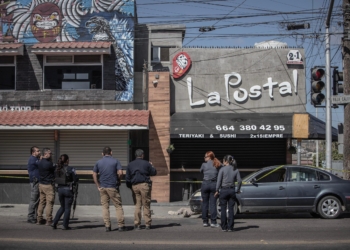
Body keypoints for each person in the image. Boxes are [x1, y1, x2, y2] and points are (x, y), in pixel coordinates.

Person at [93, 146, 126, 232]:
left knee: (105, 207)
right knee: (118, 206)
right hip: (112, 186)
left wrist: (98, 185)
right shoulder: (116, 161)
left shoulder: (98, 162)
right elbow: (121, 172)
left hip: (103, 187)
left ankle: (107, 225)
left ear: (102, 154)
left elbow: (94, 174)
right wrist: (119, 179)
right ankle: (120, 225)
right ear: (111, 152)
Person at [125, 149, 157, 230]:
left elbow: (127, 178)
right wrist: (151, 165)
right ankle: (147, 224)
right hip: (144, 185)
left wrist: (130, 186)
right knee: (146, 205)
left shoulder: (130, 164)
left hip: (135, 186)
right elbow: (154, 172)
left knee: (137, 205)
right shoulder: (146, 163)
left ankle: (137, 224)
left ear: (135, 155)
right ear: (142, 155)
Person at [215, 155, 242, 232]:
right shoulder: (235, 169)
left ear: (226, 161)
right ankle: (230, 227)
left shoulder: (222, 169)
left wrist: (217, 190)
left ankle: (224, 227)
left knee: (223, 209)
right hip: (232, 190)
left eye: (223, 160)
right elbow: (239, 181)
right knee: (231, 209)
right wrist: (238, 189)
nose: (222, 162)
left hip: (223, 190)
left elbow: (219, 181)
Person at [52, 154, 79, 230]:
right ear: (67, 160)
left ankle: (54, 222)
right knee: (67, 208)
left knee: (62, 207)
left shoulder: (57, 168)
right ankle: (65, 225)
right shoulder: (71, 169)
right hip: (68, 190)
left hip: (60, 189)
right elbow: (76, 179)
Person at [200, 151, 221, 228]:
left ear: (209, 157)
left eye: (205, 157)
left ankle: (205, 221)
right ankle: (213, 222)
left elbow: (201, 171)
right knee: (213, 204)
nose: (204, 158)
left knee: (205, 203)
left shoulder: (204, 165)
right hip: (213, 185)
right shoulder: (217, 164)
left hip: (205, 184)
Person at [36, 148, 56, 226]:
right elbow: (54, 169)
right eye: (50, 153)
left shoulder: (40, 162)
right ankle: (49, 220)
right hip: (48, 185)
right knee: (49, 203)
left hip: (41, 184)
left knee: (41, 202)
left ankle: (39, 219)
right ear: (45, 154)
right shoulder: (49, 164)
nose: (51, 155)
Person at [27, 146, 41, 224]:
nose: (39, 152)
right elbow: (41, 164)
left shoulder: (36, 159)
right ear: (33, 152)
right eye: (38, 151)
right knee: (34, 199)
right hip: (35, 182)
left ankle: (35, 216)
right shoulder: (33, 159)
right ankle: (30, 217)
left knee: (37, 200)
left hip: (37, 181)